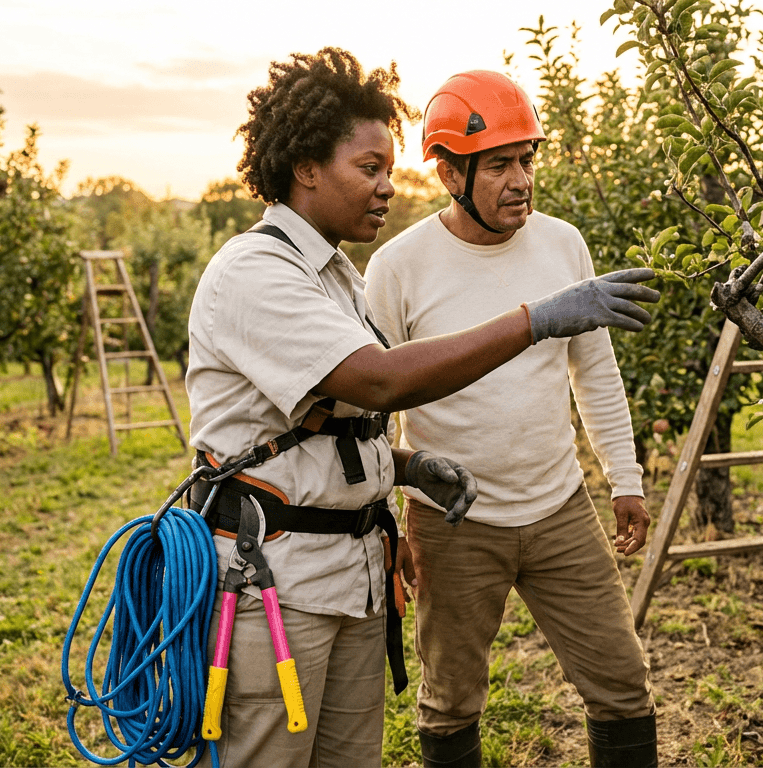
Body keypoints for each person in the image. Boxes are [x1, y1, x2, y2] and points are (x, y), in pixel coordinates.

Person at [187, 50, 659, 768]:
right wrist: (534, 318)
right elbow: (378, 383)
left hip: (349, 575)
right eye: (369, 168)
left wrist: (403, 468)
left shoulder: (335, 276)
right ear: (308, 166)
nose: (384, 186)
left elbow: (340, 420)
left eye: (525, 159)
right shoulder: (260, 273)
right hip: (276, 578)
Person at [363, 70, 659, 768]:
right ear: (448, 173)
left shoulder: (563, 245)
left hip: (560, 508)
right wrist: (385, 516)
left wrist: (625, 478)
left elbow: (596, 371)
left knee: (622, 683)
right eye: (499, 164)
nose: (521, 179)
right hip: (452, 519)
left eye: (528, 159)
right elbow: (373, 407)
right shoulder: (398, 268)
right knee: (450, 700)